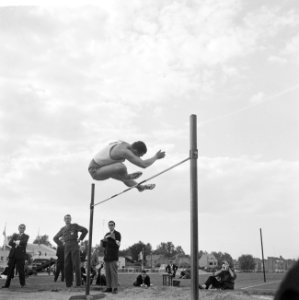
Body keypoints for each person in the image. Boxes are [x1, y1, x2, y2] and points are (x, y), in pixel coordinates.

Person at [88, 140, 165, 191]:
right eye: (139, 155)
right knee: (121, 167)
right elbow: (143, 164)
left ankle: (140, 187)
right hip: (95, 171)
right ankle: (125, 177)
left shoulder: (126, 145)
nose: (138, 158)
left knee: (123, 173)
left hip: (106, 167)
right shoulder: (124, 151)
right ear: (135, 151)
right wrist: (156, 157)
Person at [53, 214, 88, 289]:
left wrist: (80, 239)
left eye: (68, 218)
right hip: (66, 247)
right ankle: (68, 284)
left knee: (76, 265)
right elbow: (55, 238)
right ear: (64, 220)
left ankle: (78, 284)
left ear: (71, 219)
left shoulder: (75, 225)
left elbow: (85, 230)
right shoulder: (62, 229)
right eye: (66, 218)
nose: (67, 219)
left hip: (74, 244)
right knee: (67, 266)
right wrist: (61, 245)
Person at [2, 224, 29, 288]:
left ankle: (23, 284)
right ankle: (6, 285)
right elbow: (10, 243)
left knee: (21, 271)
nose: (21, 229)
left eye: (23, 228)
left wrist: (16, 241)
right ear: (18, 228)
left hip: (20, 256)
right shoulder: (14, 235)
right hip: (12, 255)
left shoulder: (26, 236)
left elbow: (23, 242)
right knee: (9, 271)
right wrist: (18, 242)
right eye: (20, 228)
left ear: (24, 229)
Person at [100, 220, 121, 294]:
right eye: (109, 225)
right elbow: (104, 246)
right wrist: (102, 242)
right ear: (108, 226)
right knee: (107, 273)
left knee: (113, 273)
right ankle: (108, 287)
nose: (110, 226)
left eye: (112, 225)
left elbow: (118, 245)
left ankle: (114, 288)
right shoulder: (106, 234)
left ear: (114, 226)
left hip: (113, 257)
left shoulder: (117, 234)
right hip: (106, 257)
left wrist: (113, 238)